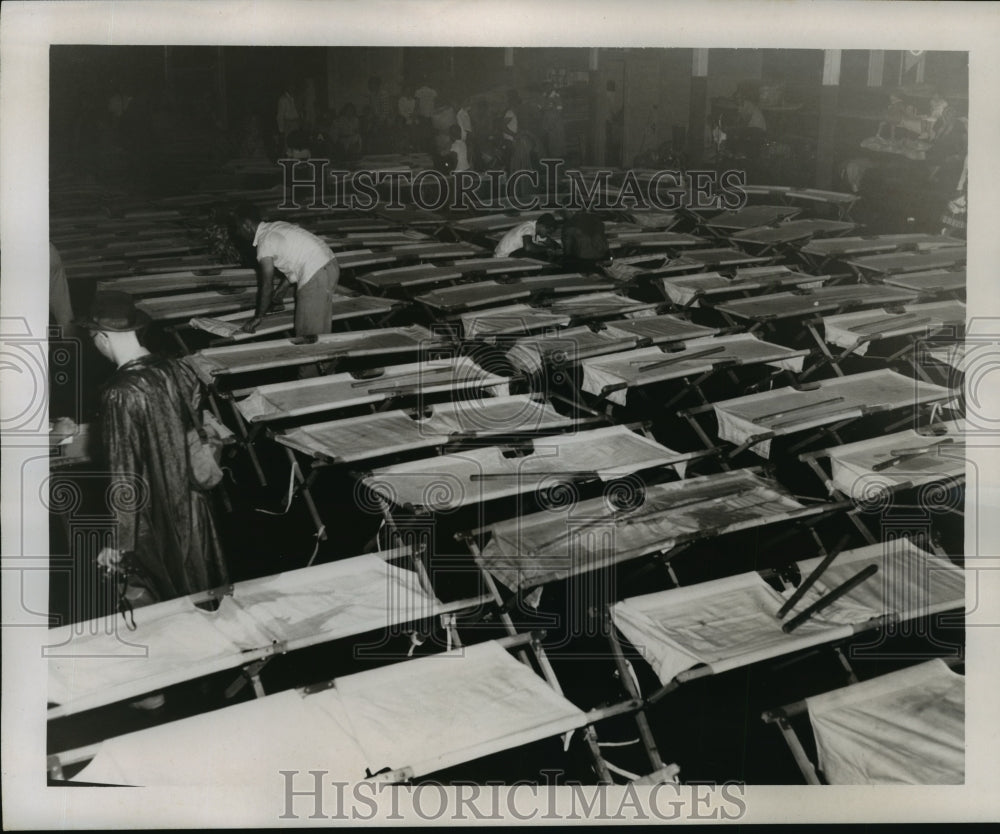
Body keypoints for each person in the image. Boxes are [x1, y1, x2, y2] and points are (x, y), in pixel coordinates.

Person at [78, 291, 230, 609]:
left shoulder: (120, 394)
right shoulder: (179, 370)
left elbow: (125, 476)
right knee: (201, 588)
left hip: (155, 514)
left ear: (103, 336)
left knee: (162, 597)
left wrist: (119, 545)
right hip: (192, 502)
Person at [231, 202, 340, 344]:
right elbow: (297, 258)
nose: (239, 233)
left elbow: (266, 286)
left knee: (306, 338)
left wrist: (258, 317)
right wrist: (282, 289)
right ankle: (324, 364)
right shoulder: (277, 225)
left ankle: (310, 365)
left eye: (238, 228)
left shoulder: (264, 243)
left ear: (246, 225)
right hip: (330, 265)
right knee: (320, 331)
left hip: (316, 273)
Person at [493, 213, 559, 259]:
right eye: (548, 232)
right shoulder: (528, 228)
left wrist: (556, 248)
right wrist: (547, 249)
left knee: (540, 251)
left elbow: (548, 241)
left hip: (510, 255)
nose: (548, 235)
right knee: (536, 252)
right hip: (502, 257)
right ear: (542, 226)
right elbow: (528, 247)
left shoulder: (537, 228)